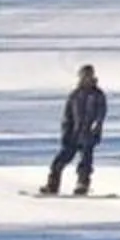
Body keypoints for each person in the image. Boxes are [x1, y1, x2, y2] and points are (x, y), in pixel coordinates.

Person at [38, 65, 106, 196]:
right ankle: (52, 185)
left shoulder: (98, 95)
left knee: (85, 162)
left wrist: (96, 126)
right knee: (59, 161)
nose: (86, 78)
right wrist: (65, 132)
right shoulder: (75, 95)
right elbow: (67, 115)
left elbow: (101, 113)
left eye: (88, 76)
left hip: (88, 135)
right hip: (73, 134)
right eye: (83, 76)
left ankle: (82, 185)